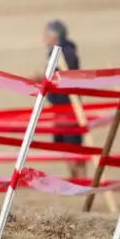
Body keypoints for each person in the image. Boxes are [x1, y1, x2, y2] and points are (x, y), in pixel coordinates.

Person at [34, 19, 87, 181]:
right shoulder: (54, 52)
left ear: (54, 36)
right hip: (58, 106)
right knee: (62, 144)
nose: (43, 37)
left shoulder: (66, 52)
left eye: (46, 33)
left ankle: (81, 178)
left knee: (73, 144)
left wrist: (45, 80)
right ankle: (75, 177)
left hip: (67, 106)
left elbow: (66, 78)